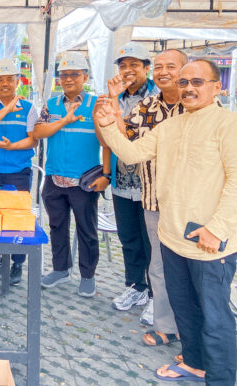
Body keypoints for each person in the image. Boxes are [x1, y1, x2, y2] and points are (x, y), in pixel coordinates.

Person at [95, 59, 237, 384]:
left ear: (217, 87)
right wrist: (109, 126)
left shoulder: (230, 126)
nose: (188, 88)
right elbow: (132, 154)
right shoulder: (171, 126)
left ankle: (220, 378)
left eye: (197, 82)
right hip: (171, 236)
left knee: (214, 315)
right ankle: (195, 363)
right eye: (184, 82)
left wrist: (216, 229)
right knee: (184, 308)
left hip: (209, 241)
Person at [115, 49, 188, 345]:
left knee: (188, 268)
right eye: (159, 67)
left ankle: (191, 331)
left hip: (190, 203)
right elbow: (127, 138)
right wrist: (111, 110)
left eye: (171, 66)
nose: (163, 72)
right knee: (157, 265)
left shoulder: (198, 105)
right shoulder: (147, 106)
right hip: (153, 199)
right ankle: (165, 324)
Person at [33, 52, 110, 297]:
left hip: (84, 180)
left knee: (87, 229)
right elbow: (38, 132)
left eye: (74, 74)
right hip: (54, 177)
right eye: (63, 75)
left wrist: (106, 175)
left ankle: (88, 276)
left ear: (85, 77)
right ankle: (60, 269)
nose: (67, 79)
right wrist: (64, 120)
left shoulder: (96, 104)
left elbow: (107, 143)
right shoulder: (52, 104)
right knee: (57, 226)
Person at [107, 42, 159, 315]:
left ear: (146, 68)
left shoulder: (159, 97)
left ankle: (157, 295)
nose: (127, 70)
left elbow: (133, 135)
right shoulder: (115, 97)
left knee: (153, 242)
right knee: (128, 238)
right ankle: (136, 286)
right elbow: (107, 136)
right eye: (123, 65)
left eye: (134, 65)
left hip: (151, 184)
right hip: (122, 181)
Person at [0, 58, 39, 286]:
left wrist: (11, 147)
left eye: (9, 79)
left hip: (17, 171)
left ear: (17, 81)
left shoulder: (28, 108)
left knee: (16, 219)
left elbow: (33, 140)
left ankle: (17, 263)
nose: (4, 84)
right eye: (0, 80)